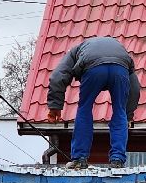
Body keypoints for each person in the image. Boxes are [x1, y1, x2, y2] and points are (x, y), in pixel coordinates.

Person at [46, 36, 140, 169]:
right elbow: (135, 88)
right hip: (120, 68)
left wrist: (55, 106)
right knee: (120, 112)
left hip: (92, 67)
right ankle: (117, 160)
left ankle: (79, 159)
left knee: (84, 109)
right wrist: (128, 115)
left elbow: (57, 77)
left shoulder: (75, 52)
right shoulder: (119, 50)